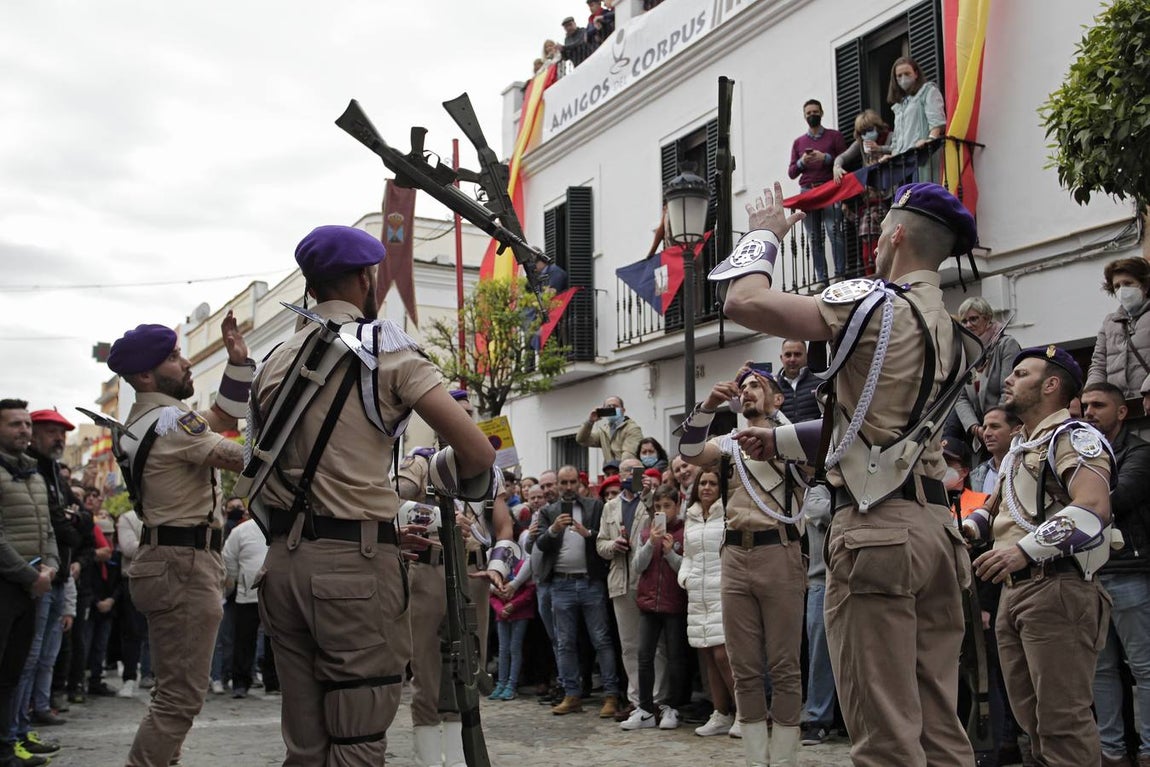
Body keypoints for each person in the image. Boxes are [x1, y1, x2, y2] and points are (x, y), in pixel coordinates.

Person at [711, 181, 980, 766]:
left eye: (882, 229)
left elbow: (743, 302)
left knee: (883, 727)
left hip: (878, 532)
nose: (875, 240)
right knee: (939, 724)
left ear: (897, 236)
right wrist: (780, 437)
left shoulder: (874, 303)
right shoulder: (955, 333)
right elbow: (873, 433)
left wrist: (766, 234)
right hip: (935, 530)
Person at [250, 225, 496, 765]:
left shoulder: (271, 362)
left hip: (284, 563)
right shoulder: (385, 350)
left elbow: (262, 474)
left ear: (313, 287)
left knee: (306, 745)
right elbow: (478, 454)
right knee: (357, 742)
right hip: (353, 572)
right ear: (366, 279)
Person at [107, 313, 251, 767]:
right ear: (146, 374)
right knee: (180, 698)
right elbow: (239, 456)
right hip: (182, 562)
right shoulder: (170, 422)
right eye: (173, 357)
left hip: (168, 560)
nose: (186, 362)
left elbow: (220, 417)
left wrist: (237, 364)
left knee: (173, 691)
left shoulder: (145, 421)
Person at [962, 347, 1113, 767]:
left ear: (1050, 386)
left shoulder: (1072, 436)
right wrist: (968, 528)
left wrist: (1023, 551)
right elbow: (996, 505)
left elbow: (1093, 508)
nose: (1008, 380)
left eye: (1021, 373)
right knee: (1033, 726)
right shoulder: (1020, 446)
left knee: (1062, 723)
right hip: (1016, 592)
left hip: (1056, 585)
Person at [679, 365, 806, 766]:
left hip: (779, 552)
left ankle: (783, 758)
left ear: (778, 398)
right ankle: (754, 758)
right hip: (734, 555)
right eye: (745, 386)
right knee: (743, 665)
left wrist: (779, 437)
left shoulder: (793, 439)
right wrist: (709, 405)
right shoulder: (729, 443)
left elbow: (819, 467)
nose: (748, 392)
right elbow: (689, 452)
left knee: (784, 665)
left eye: (758, 386)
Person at [396, 388, 515, 767]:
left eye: (468, 413)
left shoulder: (489, 471)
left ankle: (462, 753)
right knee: (428, 670)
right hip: (429, 570)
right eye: (455, 412)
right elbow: (389, 501)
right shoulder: (419, 462)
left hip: (473, 574)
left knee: (468, 668)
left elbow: (505, 526)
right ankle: (430, 758)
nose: (464, 419)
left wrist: (497, 566)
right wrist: (438, 518)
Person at [1080, 382, 1150, 767]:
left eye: (1099, 405)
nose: (1089, 412)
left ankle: (1148, 750)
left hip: (1127, 572)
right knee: (1100, 670)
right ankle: (1112, 752)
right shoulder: (1083, 453)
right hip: (1091, 574)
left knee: (1144, 668)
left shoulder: (1138, 453)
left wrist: (1077, 498)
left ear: (1122, 412)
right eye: (1085, 404)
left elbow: (1113, 501)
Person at [0, 400, 59, 767]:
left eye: (26, 424)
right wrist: (29, 574)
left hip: (34, 585)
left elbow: (48, 529)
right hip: (9, 584)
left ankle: (8, 744)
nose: (24, 430)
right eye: (14, 425)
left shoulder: (34, 474)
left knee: (14, 671)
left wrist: (50, 567)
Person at [534, 465, 620, 717]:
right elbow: (539, 544)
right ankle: (572, 695)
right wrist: (553, 530)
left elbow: (606, 538)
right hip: (561, 585)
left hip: (591, 582)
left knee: (601, 640)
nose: (569, 487)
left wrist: (588, 533)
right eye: (564, 483)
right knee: (565, 643)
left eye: (573, 482)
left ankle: (611, 696)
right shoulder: (548, 511)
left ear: (580, 483)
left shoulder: (594, 507)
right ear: (558, 485)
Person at [17, 409, 77, 736]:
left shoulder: (54, 471)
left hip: (61, 574)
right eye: (52, 431)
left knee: (47, 654)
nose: (59, 439)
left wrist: (72, 521)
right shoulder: (29, 468)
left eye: (63, 433)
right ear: (34, 435)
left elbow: (75, 519)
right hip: (39, 575)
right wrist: (71, 522)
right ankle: (19, 722)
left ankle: (38, 708)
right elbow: (60, 524)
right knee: (30, 654)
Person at [595, 457, 662, 722]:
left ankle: (657, 699)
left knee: (655, 646)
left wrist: (647, 494)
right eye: (625, 471)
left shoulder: (652, 500)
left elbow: (662, 523)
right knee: (629, 645)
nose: (629, 475)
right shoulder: (610, 507)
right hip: (620, 580)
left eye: (635, 471)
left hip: (648, 577)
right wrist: (614, 546)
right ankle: (636, 700)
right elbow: (600, 544)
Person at [620, 484, 688, 732]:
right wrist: (651, 543)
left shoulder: (684, 532)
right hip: (649, 602)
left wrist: (670, 553)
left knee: (676, 657)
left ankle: (671, 707)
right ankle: (646, 709)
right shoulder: (647, 531)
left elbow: (685, 569)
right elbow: (638, 565)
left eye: (667, 506)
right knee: (644, 655)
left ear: (677, 506)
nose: (662, 511)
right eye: (658, 507)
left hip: (674, 603)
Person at [677, 469, 737, 738]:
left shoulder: (728, 513)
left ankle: (746, 714)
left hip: (722, 591)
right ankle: (721, 713)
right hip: (697, 594)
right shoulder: (690, 515)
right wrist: (685, 577)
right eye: (703, 482)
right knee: (708, 655)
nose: (707, 487)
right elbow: (688, 555)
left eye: (713, 482)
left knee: (725, 655)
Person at [787, 99, 847, 289]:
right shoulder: (798, 142)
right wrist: (802, 162)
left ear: (821, 112)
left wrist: (825, 158)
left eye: (815, 111)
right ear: (804, 116)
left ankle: (840, 275)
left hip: (829, 188)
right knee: (814, 237)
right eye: (808, 113)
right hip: (808, 191)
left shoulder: (834, 136)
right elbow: (791, 173)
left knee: (834, 231)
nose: (812, 115)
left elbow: (844, 160)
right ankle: (822, 280)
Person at [952, 298, 1021, 451]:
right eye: (964, 321)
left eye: (974, 319)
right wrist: (975, 428)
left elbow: (1008, 390)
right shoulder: (965, 353)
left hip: (1006, 432)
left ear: (988, 318)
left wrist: (994, 424)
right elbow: (960, 398)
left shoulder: (1006, 345)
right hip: (980, 437)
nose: (968, 325)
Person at [833, 109, 893, 275]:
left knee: (883, 240)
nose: (867, 135)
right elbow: (842, 157)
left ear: (877, 127)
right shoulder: (860, 144)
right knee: (868, 248)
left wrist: (880, 149)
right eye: (862, 132)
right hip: (870, 202)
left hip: (888, 194)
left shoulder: (889, 136)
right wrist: (836, 167)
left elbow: (901, 147)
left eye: (869, 129)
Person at [221, 505, 268, 699]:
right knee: (244, 640)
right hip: (247, 595)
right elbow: (228, 559)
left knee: (278, 641)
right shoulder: (240, 531)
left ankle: (274, 682)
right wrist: (233, 581)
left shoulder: (279, 528)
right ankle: (240, 682)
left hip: (276, 595)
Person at [1088, 257, 1150, 402]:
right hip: (1119, 410)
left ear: (1145, 286)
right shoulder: (1110, 323)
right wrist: (1092, 397)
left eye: (1128, 283)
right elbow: (1098, 364)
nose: (1122, 290)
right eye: (1117, 286)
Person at [488, 557, 535, 701]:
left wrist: (514, 605)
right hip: (502, 615)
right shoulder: (498, 567)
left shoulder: (523, 564)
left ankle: (512, 685)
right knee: (503, 649)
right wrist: (499, 609)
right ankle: (501, 683)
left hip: (520, 613)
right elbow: (492, 593)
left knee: (515, 648)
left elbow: (530, 590)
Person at [882, 56, 947, 158]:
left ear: (916, 74)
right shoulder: (899, 105)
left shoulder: (928, 91)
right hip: (903, 162)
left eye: (907, 74)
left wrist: (929, 141)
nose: (903, 78)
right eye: (899, 76)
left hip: (922, 156)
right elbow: (897, 139)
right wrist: (892, 157)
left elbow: (937, 123)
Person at [969, 407, 1020, 495]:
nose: (986, 434)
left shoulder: (1028, 469)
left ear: (1017, 430)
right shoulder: (977, 475)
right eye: (984, 428)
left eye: (995, 427)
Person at [576, 396, 643, 463]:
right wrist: (590, 421)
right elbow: (581, 439)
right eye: (608, 407)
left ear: (623, 410)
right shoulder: (604, 431)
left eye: (615, 406)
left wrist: (619, 471)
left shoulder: (632, 428)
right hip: (611, 472)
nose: (611, 409)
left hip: (625, 471)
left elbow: (628, 455)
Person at [777, 339, 821, 423]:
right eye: (788, 355)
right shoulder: (773, 386)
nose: (792, 359)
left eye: (797, 354)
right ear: (781, 358)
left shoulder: (820, 381)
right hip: (784, 436)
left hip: (816, 435)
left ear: (807, 356)